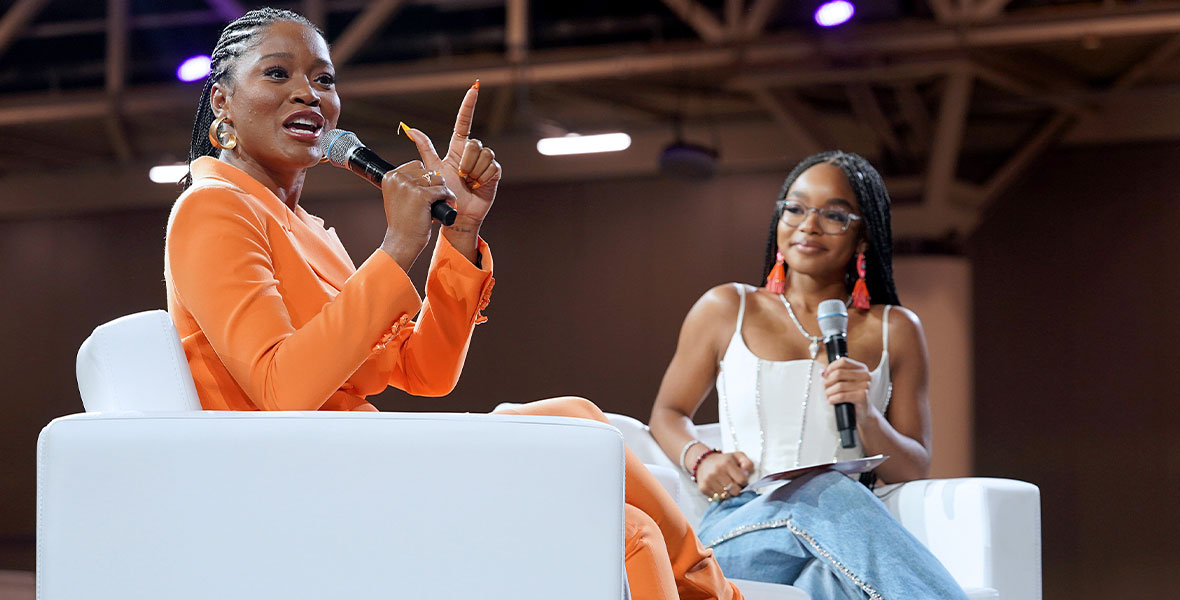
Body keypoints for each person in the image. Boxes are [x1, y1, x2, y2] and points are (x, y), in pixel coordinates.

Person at [163, 8, 741, 600]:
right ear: (223, 103)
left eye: (324, 79)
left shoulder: (302, 226)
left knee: (579, 421)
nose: (308, 94)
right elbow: (281, 391)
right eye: (278, 74)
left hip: (358, 465)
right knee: (623, 533)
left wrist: (457, 232)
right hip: (302, 486)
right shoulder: (213, 206)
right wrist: (396, 247)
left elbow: (426, 371)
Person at [648, 151, 970, 599]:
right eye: (795, 208)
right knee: (825, 489)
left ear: (862, 237)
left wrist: (868, 419)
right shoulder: (727, 308)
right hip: (741, 527)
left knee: (826, 583)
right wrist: (702, 458)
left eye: (834, 215)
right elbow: (668, 411)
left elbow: (914, 467)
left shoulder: (895, 329)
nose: (809, 225)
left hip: (843, 536)